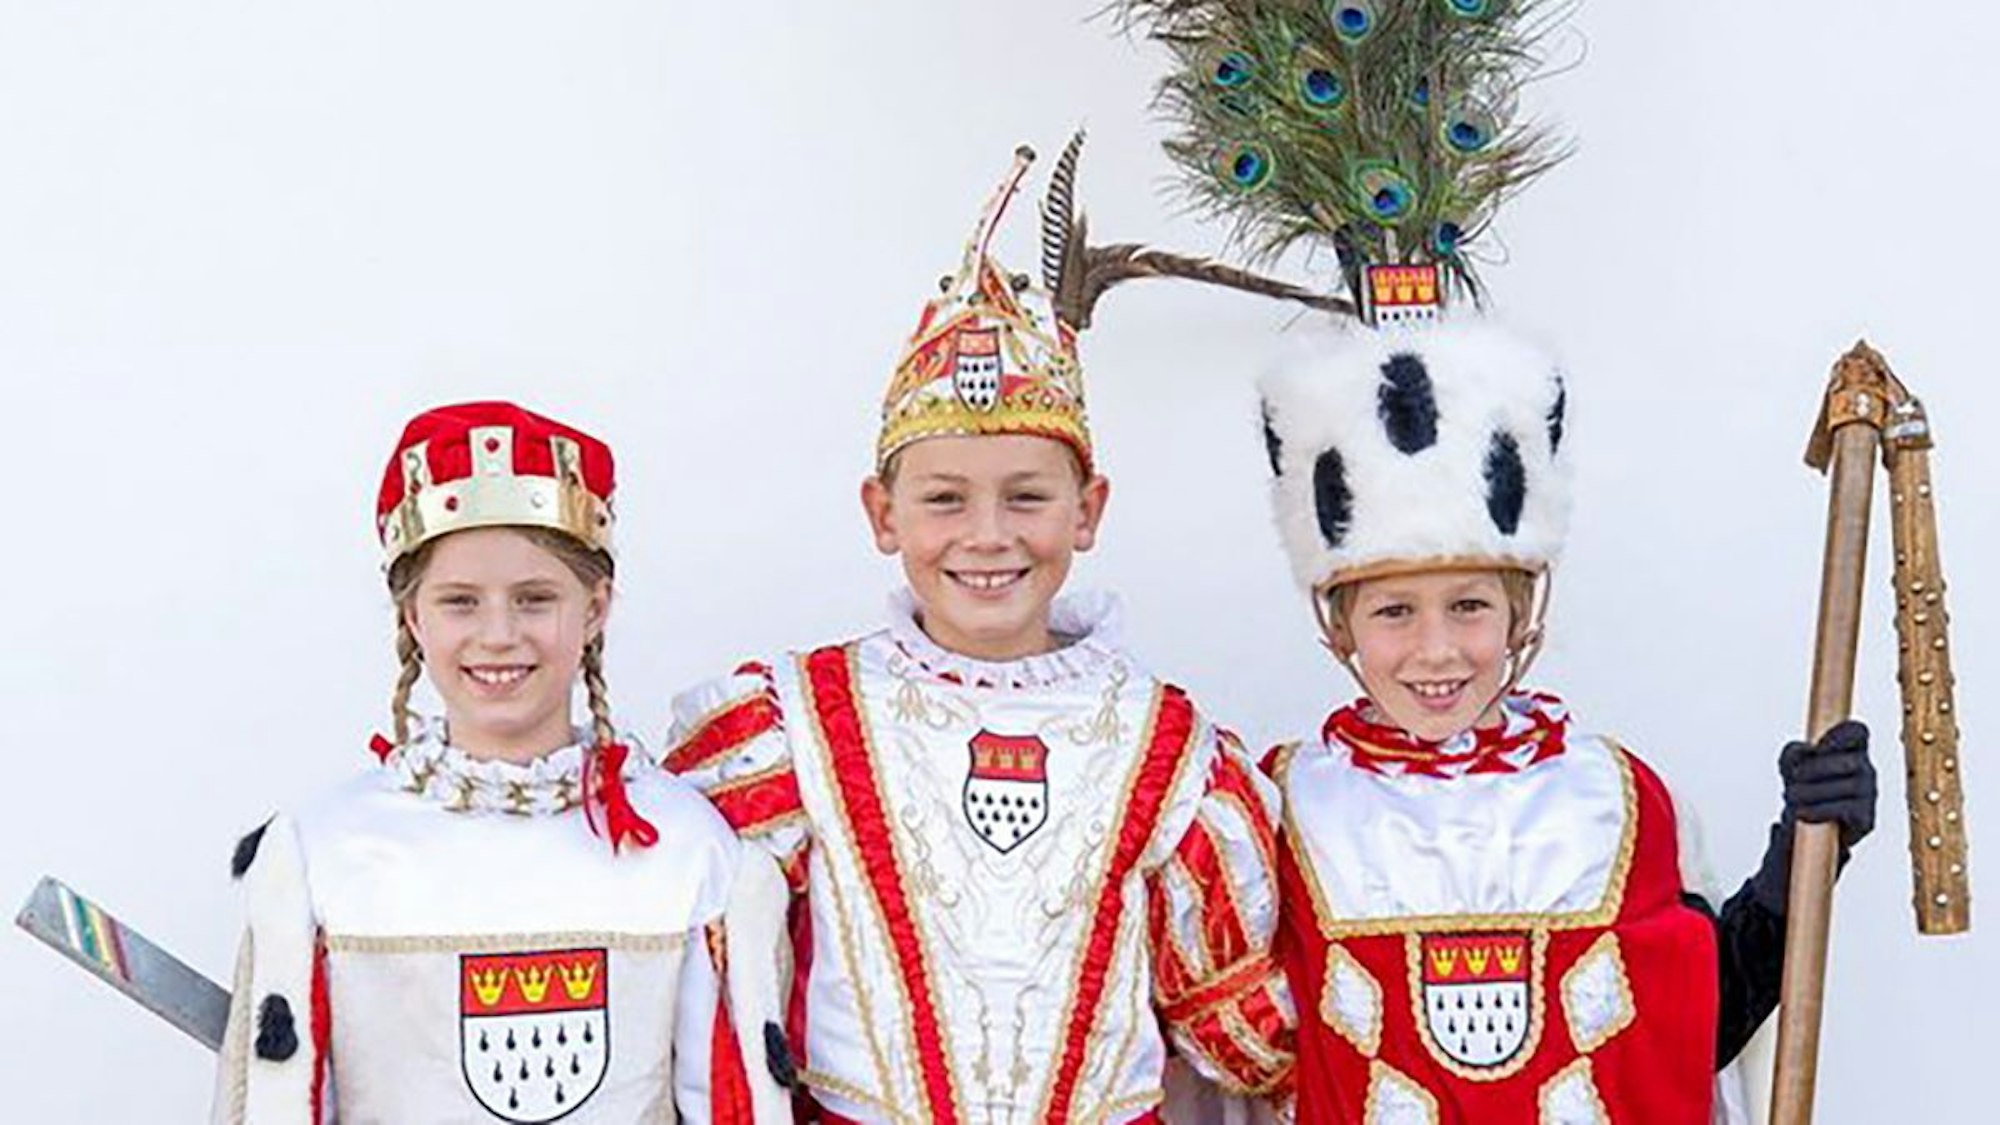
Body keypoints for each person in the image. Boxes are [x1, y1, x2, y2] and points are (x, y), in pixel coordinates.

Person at [663, 146, 1290, 1123]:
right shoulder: (794, 728)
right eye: (944, 500)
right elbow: (682, 963)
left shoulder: (1165, 754)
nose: (986, 537)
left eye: (1026, 498)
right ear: (883, 516)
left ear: (1087, 511)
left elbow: (1233, 1026)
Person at [1255, 322, 1877, 1122]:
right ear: (1340, 625)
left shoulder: (1614, 799)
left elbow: (1697, 1028)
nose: (1436, 649)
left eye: (1471, 605)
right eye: (1395, 610)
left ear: (1521, 614)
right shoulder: (1281, 809)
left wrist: (1799, 863)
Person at [211, 401, 786, 1124]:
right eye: (460, 602)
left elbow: (730, 1101)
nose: (499, 633)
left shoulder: (686, 849)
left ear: (596, 608)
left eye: (535, 598)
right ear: (413, 618)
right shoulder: (325, 851)